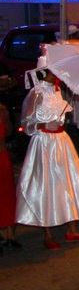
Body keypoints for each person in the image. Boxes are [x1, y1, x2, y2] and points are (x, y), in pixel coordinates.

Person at [15, 56, 79, 250]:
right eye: (55, 72)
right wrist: (43, 124)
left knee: (68, 182)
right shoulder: (36, 94)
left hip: (61, 142)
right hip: (44, 144)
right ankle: (48, 233)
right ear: (46, 72)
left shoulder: (58, 91)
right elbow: (25, 124)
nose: (59, 75)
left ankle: (72, 229)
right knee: (46, 186)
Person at [0, 100, 20, 250]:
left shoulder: (2, 111)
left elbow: (8, 132)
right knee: (6, 196)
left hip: (2, 158)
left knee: (7, 195)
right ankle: (8, 235)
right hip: (2, 157)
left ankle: (10, 235)